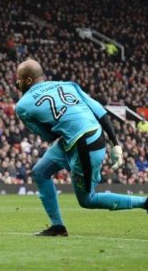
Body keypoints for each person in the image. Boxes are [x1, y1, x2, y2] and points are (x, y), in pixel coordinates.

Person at [14, 59, 148, 237]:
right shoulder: (68, 85)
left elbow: (49, 136)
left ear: (28, 81)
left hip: (84, 144)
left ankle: (144, 202)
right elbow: (100, 111)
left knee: (87, 199)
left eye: (19, 78)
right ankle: (57, 227)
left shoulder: (23, 105)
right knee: (40, 172)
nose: (16, 82)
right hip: (90, 136)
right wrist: (116, 143)